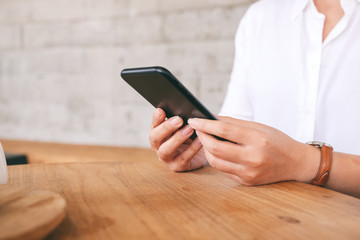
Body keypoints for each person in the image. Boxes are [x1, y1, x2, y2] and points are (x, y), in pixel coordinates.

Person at [149, 0, 360, 198]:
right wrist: (204, 154)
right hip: (269, 218)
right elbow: (237, 131)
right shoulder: (260, 18)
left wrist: (304, 162)